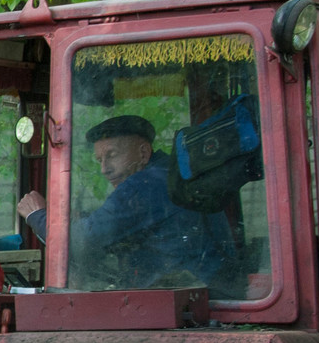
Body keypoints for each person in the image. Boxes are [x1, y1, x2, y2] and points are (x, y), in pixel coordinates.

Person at [16, 115, 235, 292]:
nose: (104, 169)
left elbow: (82, 243)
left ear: (143, 153)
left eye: (112, 155)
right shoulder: (168, 174)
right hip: (211, 287)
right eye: (100, 160)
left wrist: (38, 215)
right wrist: (84, 219)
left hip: (190, 294)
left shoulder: (145, 184)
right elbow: (120, 227)